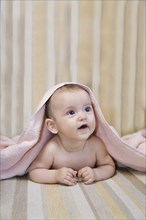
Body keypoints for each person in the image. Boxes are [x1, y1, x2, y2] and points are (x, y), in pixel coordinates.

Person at [28, 84, 115, 185]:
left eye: (87, 109)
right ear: (53, 126)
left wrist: (96, 173)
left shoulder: (96, 145)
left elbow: (109, 166)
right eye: (71, 112)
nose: (83, 116)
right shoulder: (52, 149)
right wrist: (55, 175)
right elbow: (35, 171)